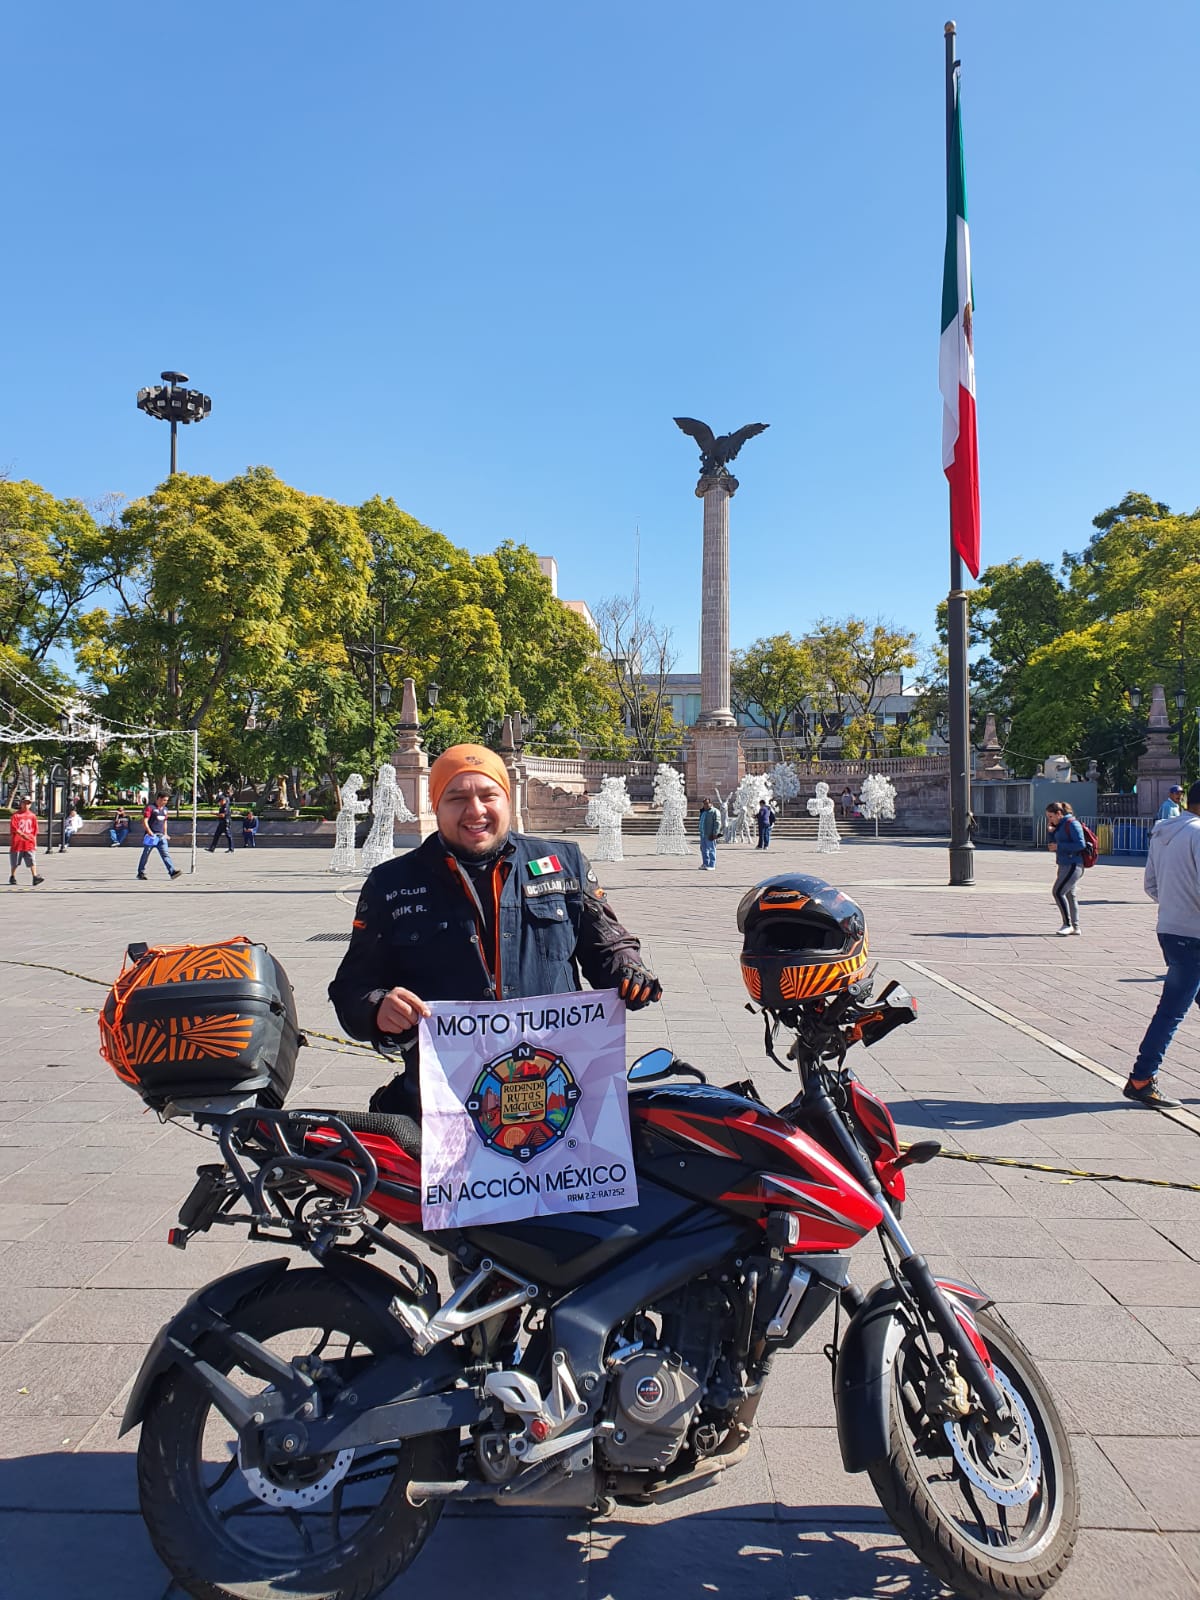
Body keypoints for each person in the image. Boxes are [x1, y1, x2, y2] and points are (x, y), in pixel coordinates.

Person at [329, 743, 663, 1116]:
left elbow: (608, 946)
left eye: (489, 796)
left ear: (506, 799)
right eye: (457, 798)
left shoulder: (563, 863)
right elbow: (351, 989)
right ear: (435, 804)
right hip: (446, 1104)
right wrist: (377, 1009)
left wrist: (628, 969)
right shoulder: (390, 883)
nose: (475, 811)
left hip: (558, 1095)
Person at [1123, 779, 1200, 1109]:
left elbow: (1151, 885)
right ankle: (1142, 1078)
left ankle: (1143, 1077)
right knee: (1171, 1011)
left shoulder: (1165, 832)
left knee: (1173, 1008)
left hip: (1170, 928)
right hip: (1194, 935)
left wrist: (1175, 904)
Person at [1045, 800, 1085, 935]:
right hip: (1063, 863)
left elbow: (1081, 844)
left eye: (1051, 816)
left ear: (1059, 814)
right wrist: (1051, 832)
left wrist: (1059, 847)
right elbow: (1054, 841)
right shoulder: (1060, 825)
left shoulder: (1072, 824)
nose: (1049, 819)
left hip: (1073, 864)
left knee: (1058, 891)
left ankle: (1067, 924)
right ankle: (1075, 926)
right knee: (1069, 894)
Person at [138, 792, 182, 881]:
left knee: (165, 854)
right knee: (145, 854)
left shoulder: (165, 809)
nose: (165, 802)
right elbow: (145, 821)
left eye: (166, 800)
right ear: (158, 799)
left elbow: (165, 822)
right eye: (164, 800)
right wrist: (149, 831)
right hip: (151, 837)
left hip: (161, 836)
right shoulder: (150, 808)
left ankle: (172, 872)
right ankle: (140, 872)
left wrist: (165, 833)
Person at [8, 797, 44, 887]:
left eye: (28, 803)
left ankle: (35, 877)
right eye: (25, 803)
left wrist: (35, 843)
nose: (26, 805)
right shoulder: (16, 815)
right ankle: (12, 876)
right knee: (15, 862)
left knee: (32, 860)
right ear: (21, 803)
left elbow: (35, 831)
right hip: (17, 843)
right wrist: (22, 834)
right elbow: (14, 828)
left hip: (29, 842)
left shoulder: (32, 816)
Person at [698, 798, 720, 870]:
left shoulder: (715, 811)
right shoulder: (703, 811)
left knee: (711, 849)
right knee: (703, 849)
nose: (705, 805)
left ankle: (712, 864)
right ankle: (705, 863)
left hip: (710, 834)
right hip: (703, 834)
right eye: (704, 804)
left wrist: (715, 834)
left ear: (711, 803)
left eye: (707, 803)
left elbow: (717, 823)